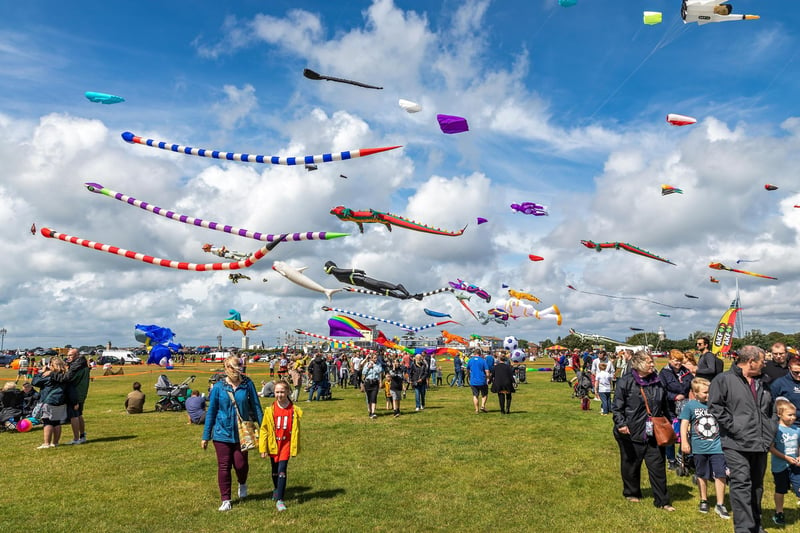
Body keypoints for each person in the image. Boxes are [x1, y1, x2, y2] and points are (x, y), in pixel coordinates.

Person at [708, 345, 777, 533]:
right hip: (735, 443)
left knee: (757, 486)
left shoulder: (764, 381)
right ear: (751, 361)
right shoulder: (723, 380)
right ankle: (744, 528)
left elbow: (771, 409)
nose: (765, 364)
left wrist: (771, 427)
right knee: (741, 484)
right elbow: (715, 407)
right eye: (763, 361)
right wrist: (734, 427)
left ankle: (756, 525)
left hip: (760, 442)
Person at [611, 351, 674, 511]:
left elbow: (664, 405)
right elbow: (617, 407)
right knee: (631, 464)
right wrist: (621, 424)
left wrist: (670, 422)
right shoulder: (625, 382)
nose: (653, 365)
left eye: (652, 362)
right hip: (631, 432)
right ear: (638, 364)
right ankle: (632, 493)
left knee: (658, 466)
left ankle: (662, 501)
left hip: (655, 432)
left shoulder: (657, 381)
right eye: (649, 362)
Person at [201, 355, 263, 512]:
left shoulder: (248, 384)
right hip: (222, 433)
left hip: (242, 433)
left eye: (238, 367)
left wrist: (264, 429)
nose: (236, 371)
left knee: (241, 465)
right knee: (224, 466)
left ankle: (242, 483)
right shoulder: (218, 387)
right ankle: (226, 499)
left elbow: (256, 406)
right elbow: (211, 411)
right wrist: (206, 436)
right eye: (232, 368)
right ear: (225, 368)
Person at [679, 377, 730, 519]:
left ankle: (720, 503)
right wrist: (684, 442)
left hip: (717, 447)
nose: (708, 395)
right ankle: (704, 499)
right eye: (705, 392)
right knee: (702, 474)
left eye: (710, 392)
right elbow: (684, 425)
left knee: (720, 474)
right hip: (699, 447)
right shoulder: (690, 406)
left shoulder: (717, 405)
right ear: (695, 393)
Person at [259, 381, 302, 512]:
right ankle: (276, 489)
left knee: (282, 470)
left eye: (282, 392)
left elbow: (295, 430)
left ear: (288, 392)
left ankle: (280, 500)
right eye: (277, 392)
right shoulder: (270, 410)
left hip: (285, 445)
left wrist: (294, 445)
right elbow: (264, 430)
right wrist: (263, 448)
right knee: (275, 470)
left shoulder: (294, 410)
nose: (279, 394)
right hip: (273, 444)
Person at [659, 349, 694, 469]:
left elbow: (693, 384)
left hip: (684, 407)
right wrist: (674, 396)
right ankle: (671, 459)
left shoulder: (686, 372)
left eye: (680, 361)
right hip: (670, 408)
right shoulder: (664, 373)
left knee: (685, 433)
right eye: (675, 361)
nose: (678, 363)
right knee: (672, 434)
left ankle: (682, 457)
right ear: (670, 360)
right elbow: (661, 391)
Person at [768, 398, 800, 527]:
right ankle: (779, 512)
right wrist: (785, 457)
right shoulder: (776, 430)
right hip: (780, 466)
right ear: (779, 414)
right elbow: (771, 448)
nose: (793, 417)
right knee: (780, 490)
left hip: (795, 465)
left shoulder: (797, 429)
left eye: (794, 414)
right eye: (790, 415)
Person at [323, 260, 421, 300]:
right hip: (362, 283)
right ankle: (411, 296)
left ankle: (398, 287)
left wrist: (356, 270)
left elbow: (343, 271)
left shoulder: (335, 270)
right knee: (384, 292)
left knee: (379, 284)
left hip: (361, 279)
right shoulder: (335, 273)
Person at [51, 348, 90, 445]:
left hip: (75, 394)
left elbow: (66, 378)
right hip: (81, 393)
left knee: (74, 416)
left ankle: (76, 439)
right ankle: (82, 436)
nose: (68, 357)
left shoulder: (77, 366)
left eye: (70, 355)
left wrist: (52, 374)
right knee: (79, 414)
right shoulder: (82, 364)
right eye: (68, 355)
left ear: (77, 355)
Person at [31, 357, 69, 448]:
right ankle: (55, 442)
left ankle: (46, 443)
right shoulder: (65, 375)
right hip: (60, 401)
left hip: (49, 400)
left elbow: (35, 382)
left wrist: (40, 372)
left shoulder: (49, 375)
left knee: (47, 422)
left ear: (52, 365)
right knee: (56, 422)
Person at [770, 354, 800, 426]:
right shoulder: (779, 384)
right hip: (790, 425)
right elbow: (772, 405)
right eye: (796, 372)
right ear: (789, 368)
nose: (799, 375)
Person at [361, 353, 383, 419]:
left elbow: (379, 371)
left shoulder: (378, 364)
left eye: (376, 358)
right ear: (371, 358)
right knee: (369, 398)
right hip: (368, 382)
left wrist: (374, 366)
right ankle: (370, 411)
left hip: (375, 382)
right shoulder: (367, 364)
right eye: (374, 358)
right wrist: (368, 367)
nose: (376, 359)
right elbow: (363, 372)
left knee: (374, 397)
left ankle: (373, 412)